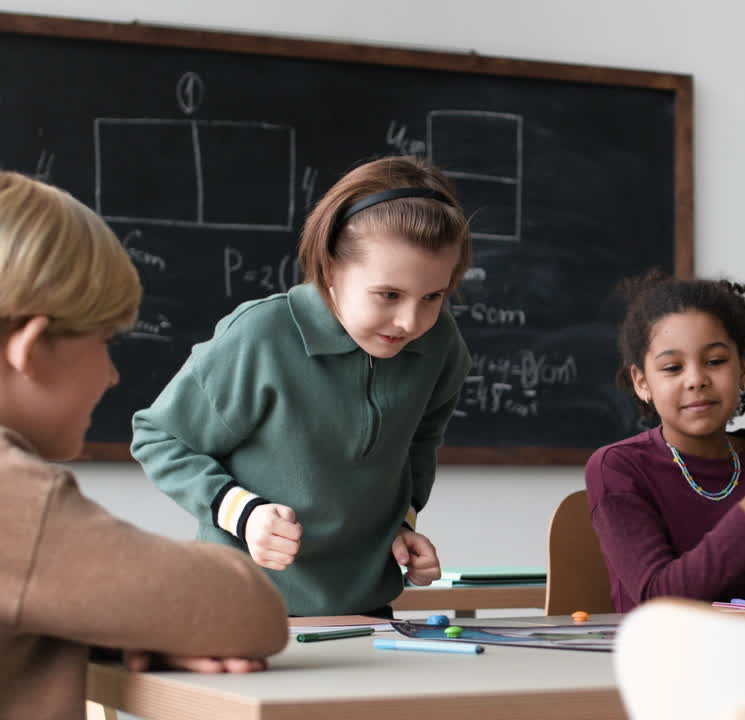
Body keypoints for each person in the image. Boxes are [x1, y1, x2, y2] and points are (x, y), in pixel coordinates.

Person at [132, 155, 472, 617]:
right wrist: (245, 514)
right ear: (331, 268)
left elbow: (418, 448)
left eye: (433, 297)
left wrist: (402, 526)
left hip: (366, 612)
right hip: (241, 608)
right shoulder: (261, 336)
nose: (410, 321)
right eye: (388, 295)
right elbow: (159, 436)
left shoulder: (441, 346)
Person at [0, 171, 287, 719]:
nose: (111, 375)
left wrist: (114, 626)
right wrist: (162, 619)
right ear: (32, 348)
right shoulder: (13, 501)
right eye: (105, 342)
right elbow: (251, 611)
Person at [586, 272, 745, 612]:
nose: (696, 379)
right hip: (661, 659)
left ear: (744, 368)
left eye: (715, 361)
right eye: (672, 368)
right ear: (641, 382)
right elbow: (659, 602)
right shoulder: (618, 468)